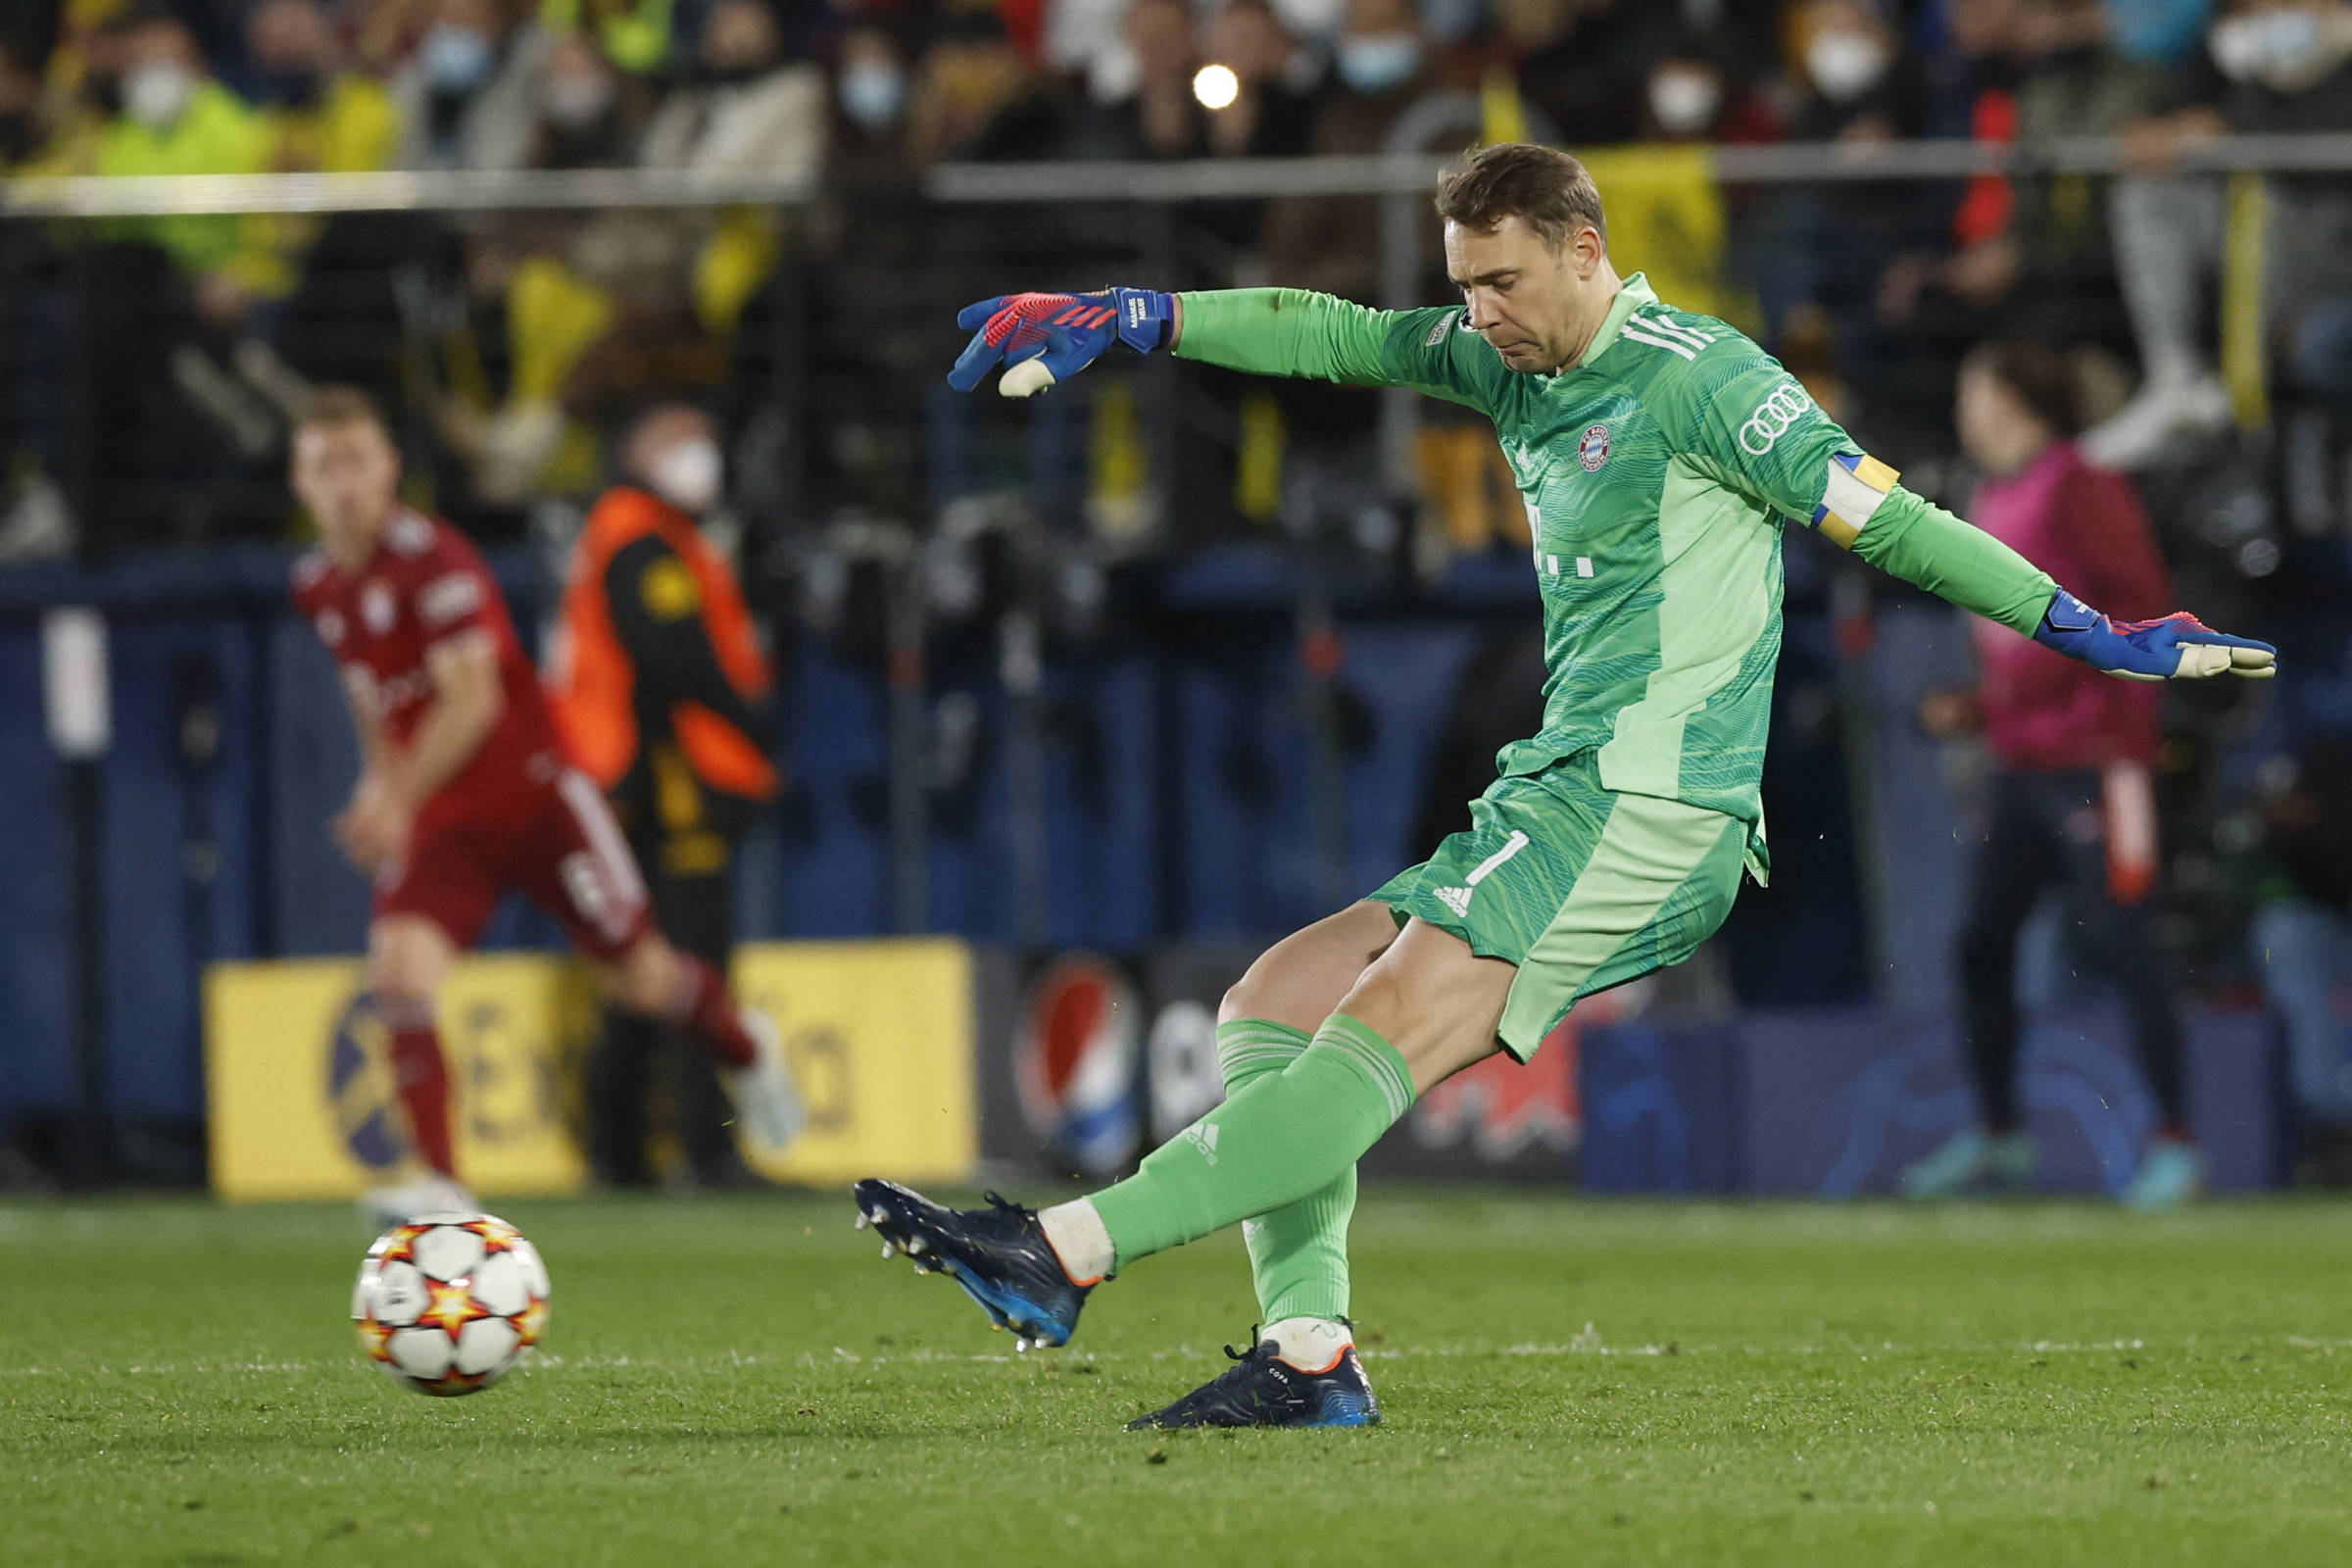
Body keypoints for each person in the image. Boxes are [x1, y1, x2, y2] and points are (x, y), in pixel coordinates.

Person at [850, 143, 2278, 1429]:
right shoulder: (1502, 360)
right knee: (1270, 1006)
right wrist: (1137, 314)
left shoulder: (1707, 380)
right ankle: (1305, 1355)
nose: (1479, 313)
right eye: (1465, 285)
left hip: (1651, 806)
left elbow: (1893, 523)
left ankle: (1064, 1252)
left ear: (1586, 251)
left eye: (1504, 281)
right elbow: (1335, 334)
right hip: (1561, 789)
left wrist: (2088, 632)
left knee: (1388, 1023)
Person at [287, 387, 800, 1223]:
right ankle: (444, 1188)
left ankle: (747, 1048)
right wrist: (379, 791)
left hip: (537, 799)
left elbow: (472, 700)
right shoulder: (319, 585)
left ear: (390, 468)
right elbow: (372, 697)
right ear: (299, 481)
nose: (344, 484)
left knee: (640, 977)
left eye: (357, 461)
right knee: (399, 975)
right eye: (324, 467)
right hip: (447, 822)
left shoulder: (436, 559)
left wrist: (395, 797)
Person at [1897, 341, 2200, 1208]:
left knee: (2123, 942)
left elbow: (2137, 606)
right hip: (2021, 760)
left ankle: (2176, 1145)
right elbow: (2020, 635)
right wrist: (1985, 702)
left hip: (2096, 760)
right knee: (1981, 943)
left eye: (1973, 391)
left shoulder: (2079, 483)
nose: (1965, 411)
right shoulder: (1994, 494)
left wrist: (2109, 723)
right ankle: (2002, 1137)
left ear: (2011, 399)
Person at [550, 401, 784, 1189]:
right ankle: (704, 1147)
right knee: (692, 963)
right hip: (662, 775)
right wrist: (749, 718)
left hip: (625, 778)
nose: (702, 456)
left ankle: (617, 1150)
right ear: (640, 452)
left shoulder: (637, 531)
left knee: (646, 968)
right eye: (683, 442)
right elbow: (669, 656)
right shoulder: (641, 537)